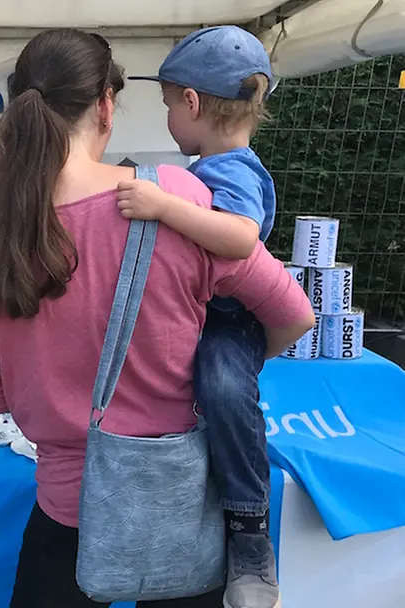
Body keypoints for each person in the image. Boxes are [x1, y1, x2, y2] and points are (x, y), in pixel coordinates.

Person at [0, 28, 315, 608]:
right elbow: (294, 315)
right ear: (105, 105)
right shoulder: (173, 200)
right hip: (179, 506)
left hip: (63, 510)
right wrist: (222, 366)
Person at [120, 26, 280, 608]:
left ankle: (250, 532)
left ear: (191, 102)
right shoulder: (211, 166)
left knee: (222, 385)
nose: (167, 117)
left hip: (228, 322)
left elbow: (239, 238)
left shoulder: (233, 169)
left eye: (168, 105)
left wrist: (163, 205)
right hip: (192, 312)